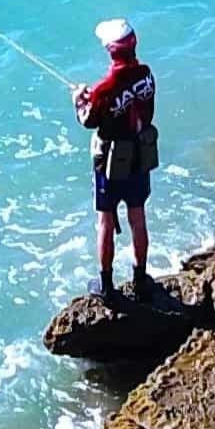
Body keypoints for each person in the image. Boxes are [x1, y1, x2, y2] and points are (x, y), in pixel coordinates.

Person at [77, 19, 159, 297]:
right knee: (138, 217)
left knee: (106, 222)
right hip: (140, 155)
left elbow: (89, 120)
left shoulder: (104, 88)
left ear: (111, 51)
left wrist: (79, 101)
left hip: (110, 163)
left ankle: (107, 286)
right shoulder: (147, 74)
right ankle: (140, 279)